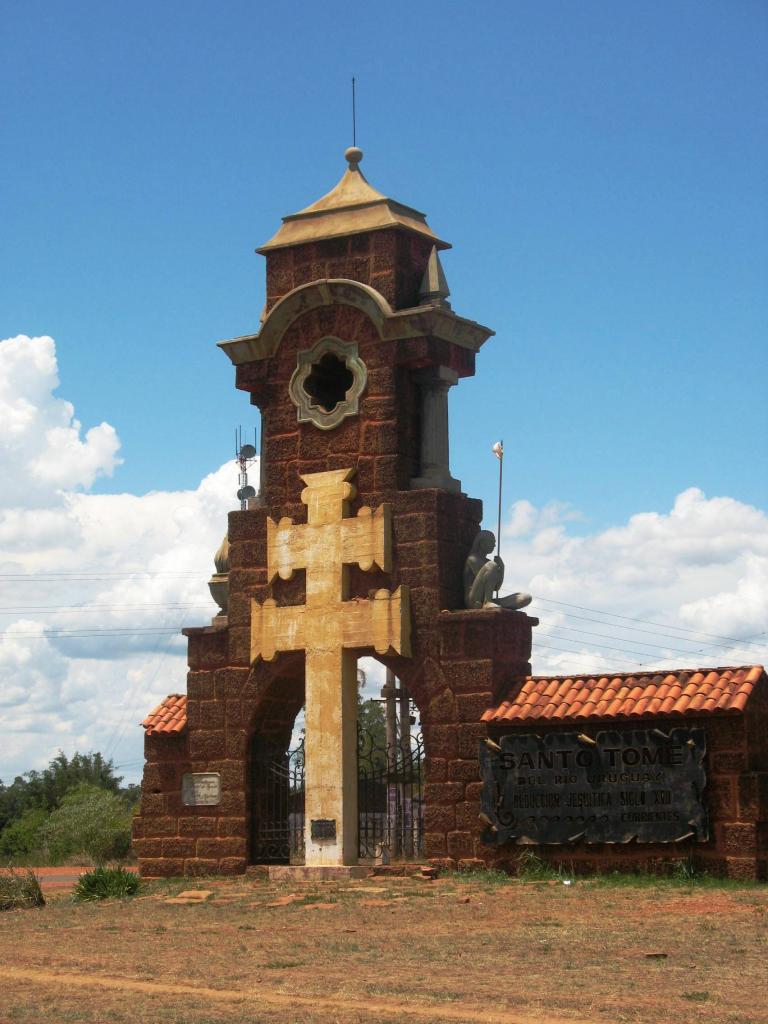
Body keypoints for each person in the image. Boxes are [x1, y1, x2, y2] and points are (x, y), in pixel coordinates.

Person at [463, 530, 532, 610]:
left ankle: (495, 605)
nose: (494, 545)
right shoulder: (472, 559)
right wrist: (495, 567)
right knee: (491, 565)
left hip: (491, 600)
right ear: (482, 543)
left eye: (494, 542)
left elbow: (496, 587)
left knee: (525, 597)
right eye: (492, 542)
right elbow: (486, 582)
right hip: (474, 601)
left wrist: (502, 568)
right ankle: (486, 603)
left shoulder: (489, 564)